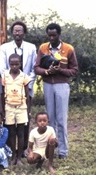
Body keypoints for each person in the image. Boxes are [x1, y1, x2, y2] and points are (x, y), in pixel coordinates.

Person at [34, 23, 78, 159]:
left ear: (59, 35)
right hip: (48, 85)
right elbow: (36, 68)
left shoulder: (68, 49)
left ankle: (63, 152)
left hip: (62, 85)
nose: (51, 38)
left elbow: (74, 70)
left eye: (54, 35)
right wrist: (46, 71)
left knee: (61, 119)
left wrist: (60, 70)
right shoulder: (43, 48)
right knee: (50, 119)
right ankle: (50, 149)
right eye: (49, 35)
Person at [0, 20, 37, 156]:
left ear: (24, 33)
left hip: (25, 88)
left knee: (24, 120)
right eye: (15, 30)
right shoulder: (5, 48)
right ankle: (11, 150)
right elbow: (3, 68)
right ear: (12, 33)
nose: (17, 32)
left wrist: (27, 84)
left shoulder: (31, 47)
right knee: (10, 123)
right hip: (9, 89)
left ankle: (23, 149)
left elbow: (33, 68)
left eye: (20, 30)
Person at [1, 53, 31, 166]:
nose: (14, 66)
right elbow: (1, 93)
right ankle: (13, 154)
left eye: (16, 64)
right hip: (9, 107)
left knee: (21, 132)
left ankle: (19, 156)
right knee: (12, 132)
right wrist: (3, 110)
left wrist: (28, 110)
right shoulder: (4, 76)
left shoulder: (24, 76)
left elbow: (28, 95)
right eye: (12, 64)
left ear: (20, 64)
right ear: (9, 64)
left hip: (21, 107)